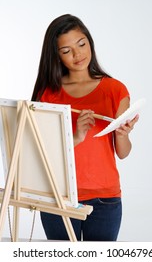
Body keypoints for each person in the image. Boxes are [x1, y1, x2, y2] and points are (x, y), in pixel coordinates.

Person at [31, 14, 139, 241]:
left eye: (81, 44)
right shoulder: (48, 94)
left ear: (90, 42)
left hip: (105, 198)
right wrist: (76, 136)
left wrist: (123, 134)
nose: (78, 54)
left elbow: (123, 152)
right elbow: (41, 153)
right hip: (58, 197)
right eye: (66, 50)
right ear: (57, 56)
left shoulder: (115, 90)